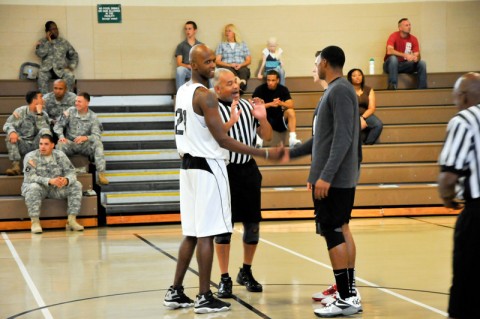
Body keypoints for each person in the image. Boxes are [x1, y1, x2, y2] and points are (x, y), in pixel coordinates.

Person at [163, 44, 283, 314]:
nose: (211, 65)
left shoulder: (182, 92)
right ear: (193, 65)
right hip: (208, 166)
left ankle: (175, 291)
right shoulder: (206, 96)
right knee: (206, 233)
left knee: (191, 233)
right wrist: (261, 151)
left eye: (212, 60)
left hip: (187, 166)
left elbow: (204, 130)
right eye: (206, 62)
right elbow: (222, 140)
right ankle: (205, 295)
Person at [285, 46, 362, 317]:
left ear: (325, 63)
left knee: (333, 231)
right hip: (334, 176)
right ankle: (349, 292)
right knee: (340, 227)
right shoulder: (332, 91)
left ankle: (346, 296)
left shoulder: (340, 90)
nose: (314, 65)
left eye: (316, 61)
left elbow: (343, 138)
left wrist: (326, 176)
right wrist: (293, 155)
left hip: (337, 179)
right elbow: (322, 140)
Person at [213, 68, 272, 298]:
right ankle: (224, 277)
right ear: (218, 88)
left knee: (253, 224)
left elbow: (266, 136)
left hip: (248, 169)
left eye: (236, 82)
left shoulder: (248, 106)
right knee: (223, 227)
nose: (235, 86)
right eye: (229, 83)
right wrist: (230, 122)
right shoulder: (212, 109)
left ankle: (246, 271)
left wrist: (263, 118)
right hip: (225, 171)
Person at [438, 72, 480, 319]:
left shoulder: (463, 120)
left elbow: (448, 176)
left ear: (463, 96)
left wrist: (447, 198)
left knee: (466, 282)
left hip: (477, 213)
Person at [22, 134, 84, 234]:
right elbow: (30, 177)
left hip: (55, 189)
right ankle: (35, 222)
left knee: (76, 184)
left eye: (46, 144)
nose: (42, 147)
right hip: (39, 188)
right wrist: (49, 181)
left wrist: (66, 180)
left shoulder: (60, 155)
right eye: (41, 144)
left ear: (52, 145)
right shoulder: (30, 157)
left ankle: (71, 220)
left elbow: (71, 172)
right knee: (33, 187)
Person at [53, 92, 109, 185]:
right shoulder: (70, 111)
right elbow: (58, 126)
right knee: (60, 145)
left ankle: (101, 174)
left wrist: (86, 137)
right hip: (70, 143)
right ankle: (61, 173)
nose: (76, 103)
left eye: (79, 101)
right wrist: (61, 137)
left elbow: (97, 136)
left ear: (87, 103)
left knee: (98, 144)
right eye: (76, 101)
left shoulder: (93, 117)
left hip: (84, 145)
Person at [3, 90, 51, 175]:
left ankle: (43, 166)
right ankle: (15, 167)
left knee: (45, 132)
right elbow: (7, 125)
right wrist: (12, 132)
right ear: (34, 100)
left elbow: (45, 131)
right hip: (23, 144)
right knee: (9, 136)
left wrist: (39, 115)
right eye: (41, 97)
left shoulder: (43, 114)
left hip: (37, 145)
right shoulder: (21, 111)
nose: (43, 100)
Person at [252, 69, 301, 148]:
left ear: (278, 80)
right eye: (268, 80)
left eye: (273, 80)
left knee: (290, 111)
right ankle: (258, 140)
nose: (270, 83)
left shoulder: (283, 89)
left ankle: (292, 138)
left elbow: (291, 104)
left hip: (279, 119)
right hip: (265, 120)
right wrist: (271, 104)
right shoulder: (260, 89)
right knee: (257, 113)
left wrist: (280, 103)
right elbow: (254, 106)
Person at [383, 18, 427, 90]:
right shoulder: (393, 36)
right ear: (400, 28)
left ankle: (422, 89)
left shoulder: (414, 39)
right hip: (391, 65)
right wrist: (405, 55)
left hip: (406, 65)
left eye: (410, 25)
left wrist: (416, 58)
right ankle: (393, 86)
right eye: (406, 25)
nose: (409, 27)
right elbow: (389, 51)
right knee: (393, 59)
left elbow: (417, 55)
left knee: (422, 63)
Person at [35, 21, 79, 94]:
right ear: (47, 31)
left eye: (56, 29)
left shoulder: (63, 42)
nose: (56, 31)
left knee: (70, 76)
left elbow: (74, 55)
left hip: (60, 69)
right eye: (53, 29)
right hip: (47, 70)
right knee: (40, 75)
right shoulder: (42, 42)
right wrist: (48, 42)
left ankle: (67, 100)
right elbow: (40, 54)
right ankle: (45, 101)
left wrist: (71, 66)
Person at [347, 68, 383, 145]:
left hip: (366, 114)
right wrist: (357, 118)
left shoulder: (369, 90)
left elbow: (372, 108)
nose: (357, 77)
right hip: (351, 114)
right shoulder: (346, 90)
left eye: (359, 75)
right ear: (350, 78)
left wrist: (362, 118)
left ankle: (367, 144)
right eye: (354, 76)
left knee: (378, 124)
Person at [215, 24, 251, 92]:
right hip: (227, 67)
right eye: (226, 31)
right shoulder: (222, 45)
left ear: (234, 32)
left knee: (244, 70)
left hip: (241, 66)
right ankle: (237, 86)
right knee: (229, 72)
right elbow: (217, 61)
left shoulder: (242, 44)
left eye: (229, 31)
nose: (227, 33)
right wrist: (230, 65)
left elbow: (248, 60)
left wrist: (241, 65)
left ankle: (241, 86)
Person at [174, 21, 203, 90]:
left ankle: (212, 96)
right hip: (187, 70)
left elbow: (204, 60)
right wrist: (188, 66)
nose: (187, 31)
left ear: (195, 30)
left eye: (189, 29)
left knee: (211, 70)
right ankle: (180, 94)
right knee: (179, 69)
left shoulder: (201, 46)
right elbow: (179, 63)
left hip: (198, 70)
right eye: (186, 29)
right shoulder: (181, 46)